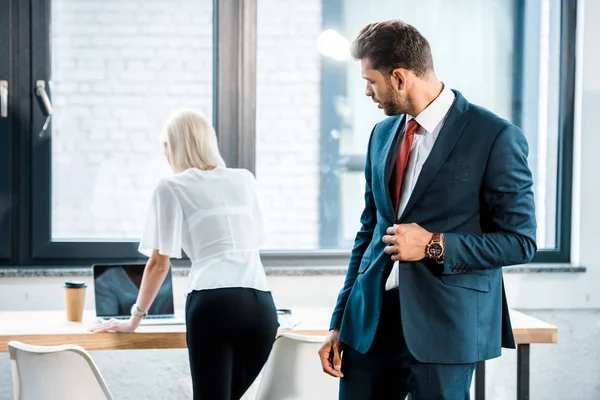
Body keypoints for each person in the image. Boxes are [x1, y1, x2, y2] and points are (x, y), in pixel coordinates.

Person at [318, 20, 537, 400]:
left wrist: (434, 244)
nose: (367, 92)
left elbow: (520, 242)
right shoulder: (381, 134)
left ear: (400, 78)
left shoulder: (494, 136)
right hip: (370, 324)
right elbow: (369, 232)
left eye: (371, 81)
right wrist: (339, 322)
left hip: (446, 326)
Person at [90, 109, 279, 400]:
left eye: (166, 147)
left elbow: (158, 264)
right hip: (261, 306)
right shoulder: (244, 179)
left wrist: (134, 319)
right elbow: (256, 239)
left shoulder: (172, 186)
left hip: (212, 304)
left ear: (175, 148)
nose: (166, 156)